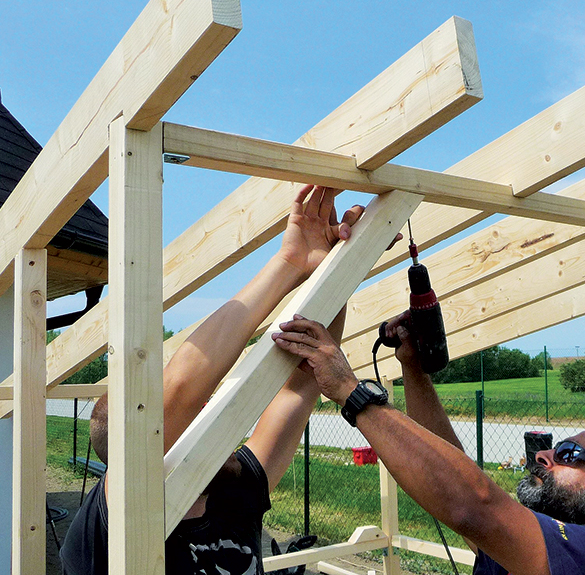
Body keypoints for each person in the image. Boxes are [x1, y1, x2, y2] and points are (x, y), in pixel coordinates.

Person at [60, 185, 370, 575]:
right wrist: (288, 262)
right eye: (187, 417)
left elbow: (304, 385)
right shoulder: (116, 522)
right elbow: (181, 387)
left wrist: (332, 272)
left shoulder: (235, 486)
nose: (206, 414)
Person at [271, 314, 585, 575]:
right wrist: (412, 366)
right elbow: (454, 470)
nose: (544, 455)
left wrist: (351, 392)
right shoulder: (529, 554)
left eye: (569, 456)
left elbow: (473, 504)